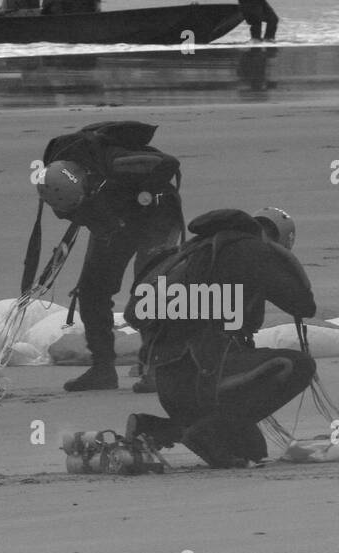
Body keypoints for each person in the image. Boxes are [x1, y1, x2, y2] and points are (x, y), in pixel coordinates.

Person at [125, 208, 316, 469]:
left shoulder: (187, 253)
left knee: (251, 449)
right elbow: (303, 305)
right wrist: (281, 259)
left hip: (169, 383)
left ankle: (155, 428)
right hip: (206, 374)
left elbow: (132, 314)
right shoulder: (252, 251)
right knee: (300, 365)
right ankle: (206, 433)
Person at [38, 124, 185, 392]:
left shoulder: (118, 164)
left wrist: (143, 192)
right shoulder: (54, 174)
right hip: (115, 222)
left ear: (87, 183)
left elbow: (169, 163)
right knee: (92, 289)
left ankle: (156, 367)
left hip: (158, 215)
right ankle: (102, 368)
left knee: (148, 292)